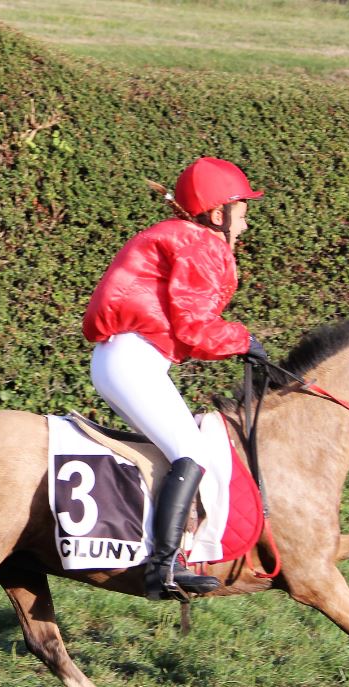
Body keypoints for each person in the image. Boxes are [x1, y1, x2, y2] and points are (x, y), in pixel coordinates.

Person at [82, 156, 269, 600]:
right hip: (132, 361)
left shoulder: (186, 237)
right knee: (190, 450)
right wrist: (243, 340)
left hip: (128, 358)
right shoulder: (200, 243)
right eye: (242, 214)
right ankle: (162, 568)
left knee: (182, 450)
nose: (244, 227)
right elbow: (194, 329)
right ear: (219, 214)